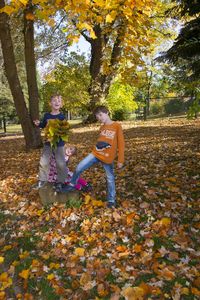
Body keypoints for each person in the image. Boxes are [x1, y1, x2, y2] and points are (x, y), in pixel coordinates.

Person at [63, 105, 125, 208]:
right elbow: (101, 140)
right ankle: (72, 184)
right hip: (95, 154)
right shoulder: (102, 127)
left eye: (100, 115)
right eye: (97, 117)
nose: (99, 118)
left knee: (110, 178)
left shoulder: (117, 126)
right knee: (79, 167)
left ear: (107, 113)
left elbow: (121, 144)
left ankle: (111, 200)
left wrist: (120, 160)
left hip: (107, 158)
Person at [33, 94, 67, 191]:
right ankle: (42, 180)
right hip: (47, 143)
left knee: (60, 163)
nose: (57, 102)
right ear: (50, 103)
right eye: (54, 100)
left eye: (59, 101)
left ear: (61, 104)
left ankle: (60, 182)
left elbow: (64, 130)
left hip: (59, 143)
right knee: (43, 161)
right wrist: (39, 124)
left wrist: (58, 134)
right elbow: (44, 125)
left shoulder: (62, 116)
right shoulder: (47, 115)